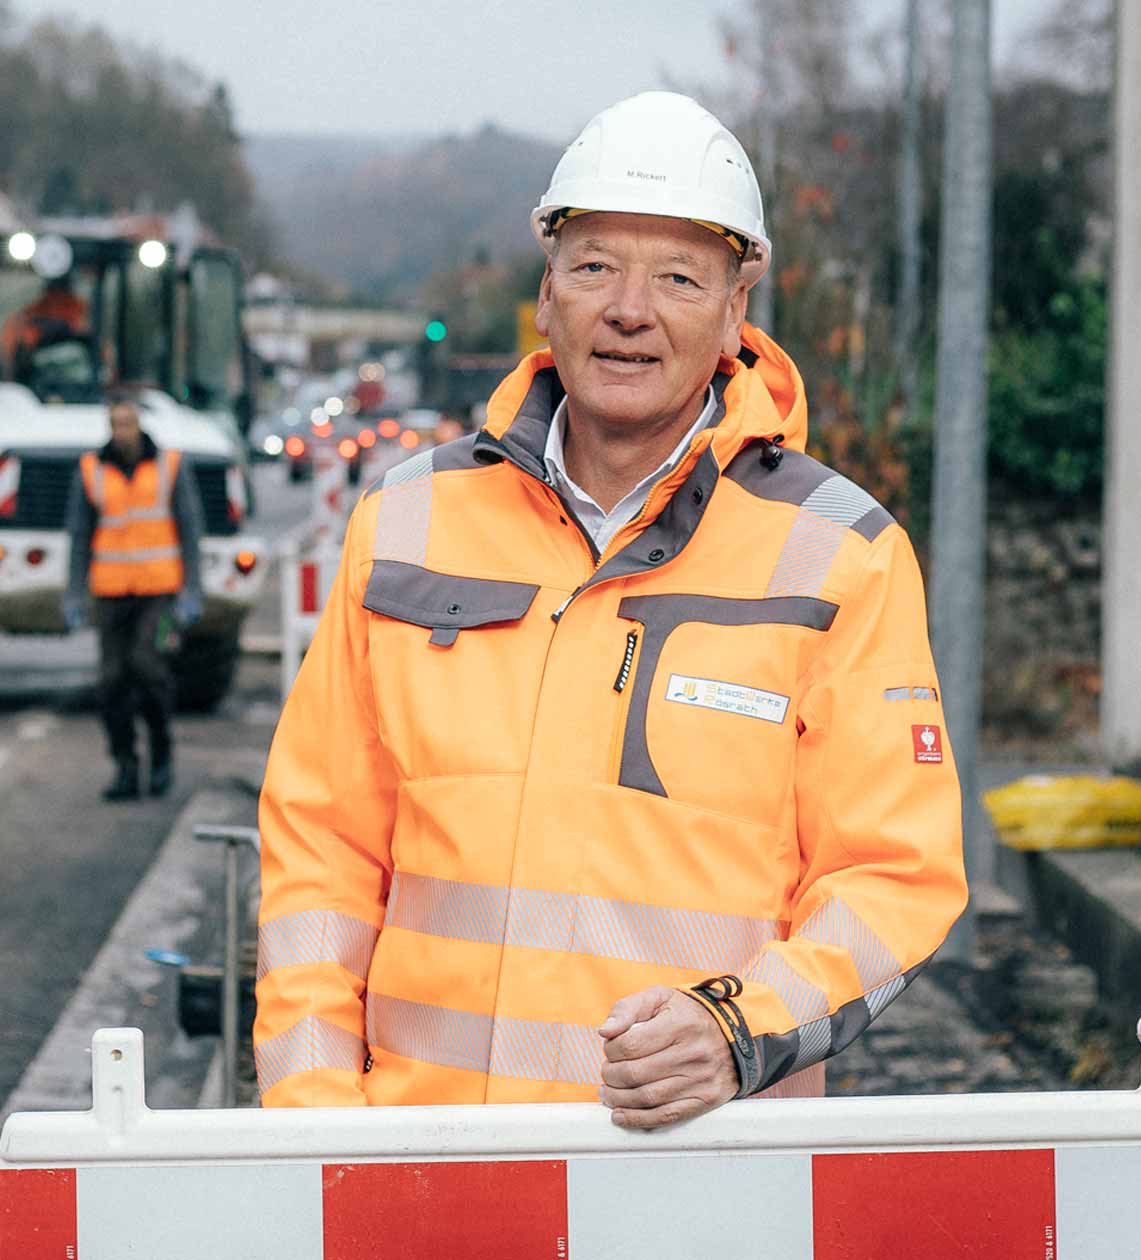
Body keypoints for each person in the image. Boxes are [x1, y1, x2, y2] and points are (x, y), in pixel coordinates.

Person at [254, 92, 966, 1127]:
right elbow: (321, 851)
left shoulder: (841, 554)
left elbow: (893, 878)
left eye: (679, 278)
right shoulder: (407, 522)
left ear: (735, 313)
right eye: (593, 267)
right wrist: (316, 1121)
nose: (630, 308)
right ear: (546, 294)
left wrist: (737, 1029)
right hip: (419, 1169)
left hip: (697, 1183)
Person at [64, 394, 205, 801]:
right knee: (111, 681)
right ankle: (125, 764)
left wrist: (192, 590)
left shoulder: (169, 466)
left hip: (160, 591)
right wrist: (74, 593)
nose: (122, 430)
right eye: (116, 423)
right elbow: (79, 535)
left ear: (140, 424)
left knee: (148, 666)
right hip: (111, 593)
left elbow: (190, 529)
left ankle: (161, 752)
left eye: (128, 422)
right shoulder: (92, 469)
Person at [1, 274, 89, 380]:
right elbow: (13, 342)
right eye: (54, 291)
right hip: (36, 370)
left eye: (60, 291)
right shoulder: (34, 310)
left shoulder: (80, 308)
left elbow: (84, 331)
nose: (57, 297)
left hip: (78, 370)